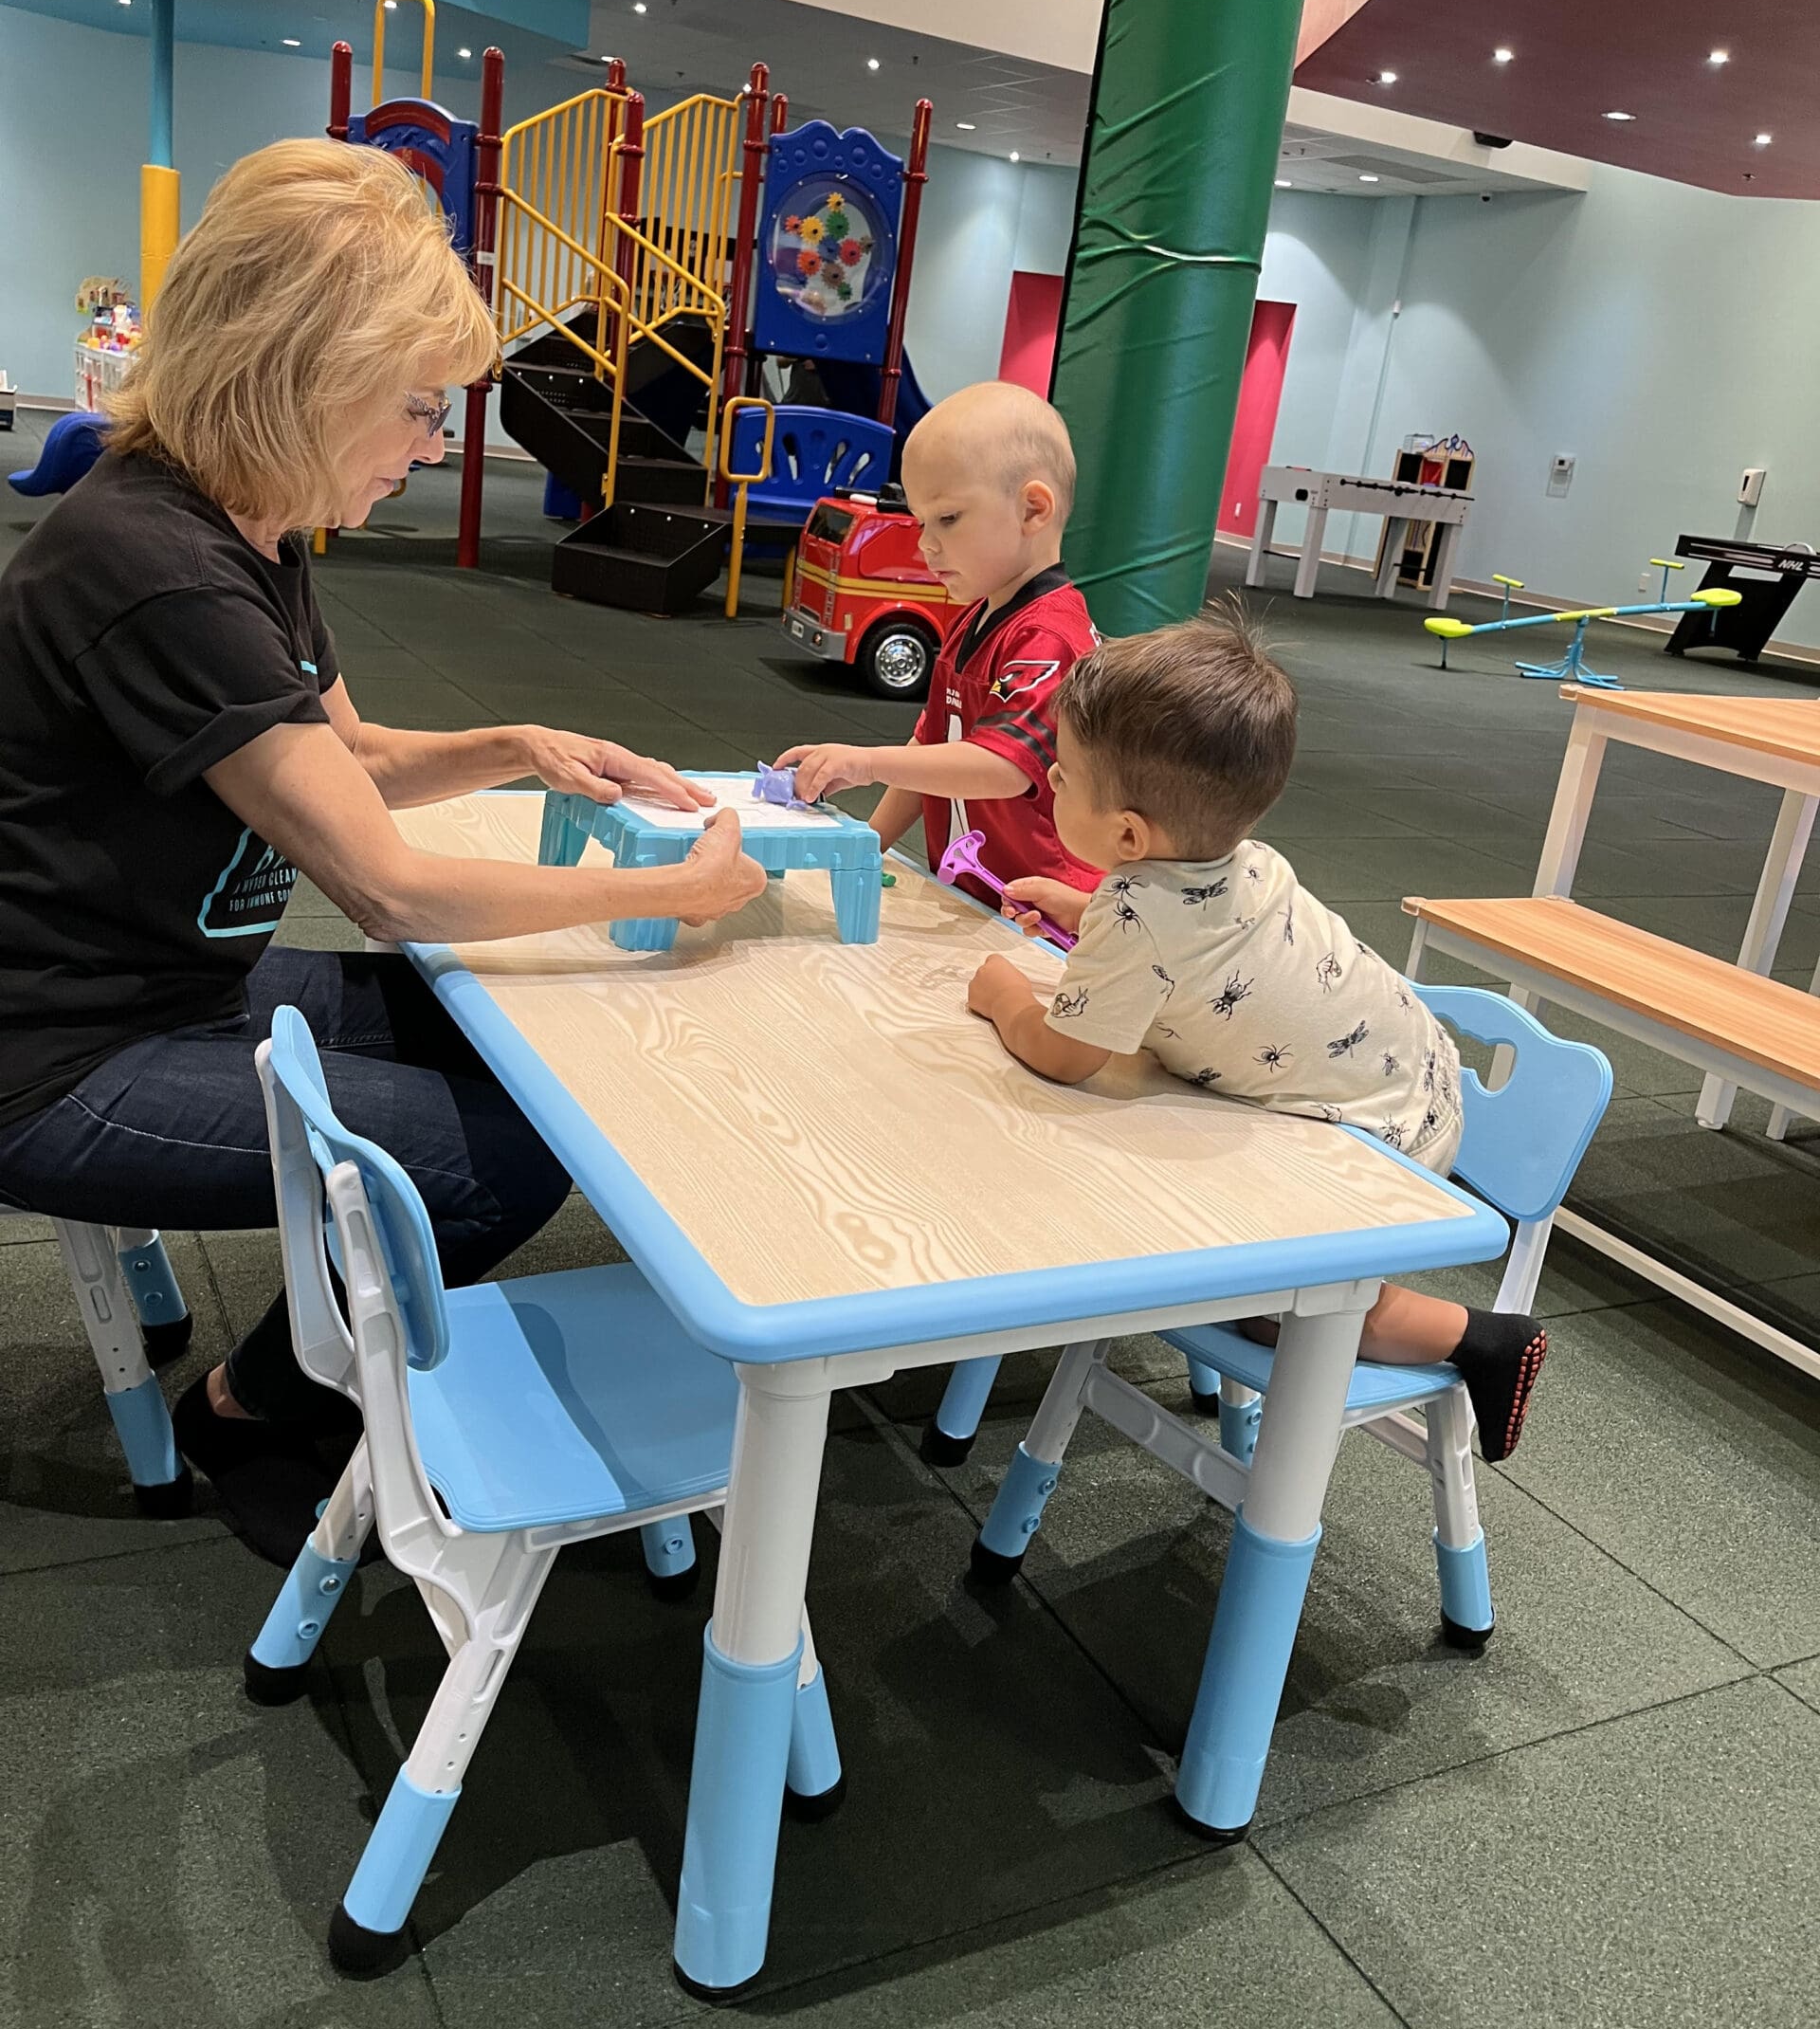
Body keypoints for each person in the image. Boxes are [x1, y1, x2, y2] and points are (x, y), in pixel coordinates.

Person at [0, 138, 767, 1559]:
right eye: (417, 409)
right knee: (499, 1160)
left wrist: (520, 743)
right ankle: (254, 1406)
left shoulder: (251, 522)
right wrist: (677, 888)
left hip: (173, 984)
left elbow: (339, 755)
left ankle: (309, 1364)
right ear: (304, 371)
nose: (428, 444)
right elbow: (386, 882)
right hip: (60, 1059)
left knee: (510, 1056)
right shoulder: (156, 562)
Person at [966, 608, 1547, 1462]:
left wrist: (1003, 995)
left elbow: (1063, 1057)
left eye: (1063, 776)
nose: (1049, 782)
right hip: (1417, 1074)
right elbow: (1193, 940)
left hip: (1373, 1141)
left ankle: (1480, 1340)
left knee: (1282, 1304)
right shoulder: (1242, 855)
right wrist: (1091, 914)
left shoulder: (1137, 910)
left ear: (1128, 835)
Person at [775, 380, 1098, 905]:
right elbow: (930, 748)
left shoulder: (1050, 636)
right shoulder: (976, 617)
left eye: (948, 518)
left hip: (1046, 915)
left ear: (1033, 510)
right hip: (982, 898)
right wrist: (866, 848)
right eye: (922, 521)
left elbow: (1004, 768)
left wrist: (864, 762)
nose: (926, 543)